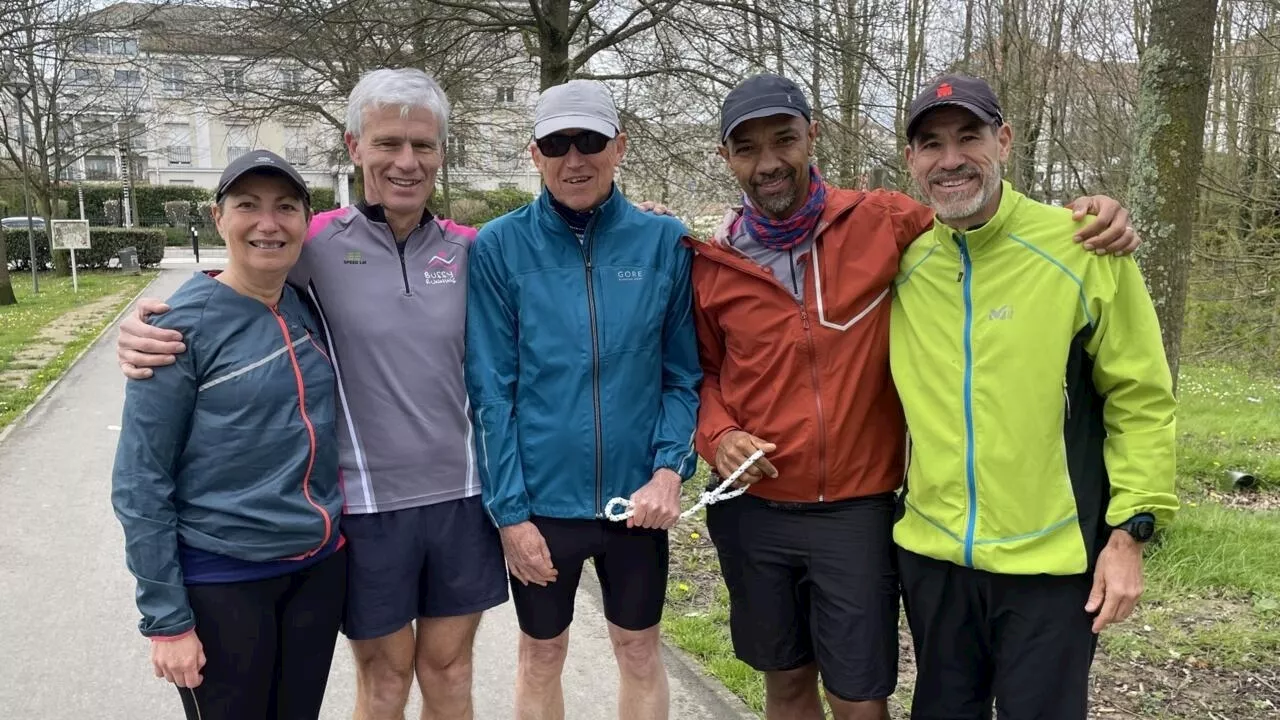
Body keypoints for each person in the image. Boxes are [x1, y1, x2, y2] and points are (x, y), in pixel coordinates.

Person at [689, 73, 1142, 720]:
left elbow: (984, 219)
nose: (768, 162)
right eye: (747, 148)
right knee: (786, 685)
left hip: (860, 514)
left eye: (784, 139)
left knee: (859, 695)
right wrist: (717, 434)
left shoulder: (883, 224)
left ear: (811, 137)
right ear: (726, 158)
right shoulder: (713, 262)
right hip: (763, 515)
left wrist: (1098, 211)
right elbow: (697, 373)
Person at [114, 68, 508, 720]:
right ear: (355, 148)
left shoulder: (473, 249)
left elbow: (554, 266)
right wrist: (152, 326)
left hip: (463, 499)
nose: (406, 162)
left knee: (451, 671)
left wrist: (643, 222)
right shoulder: (317, 240)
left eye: (424, 145)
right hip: (364, 505)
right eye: (387, 143)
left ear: (442, 151)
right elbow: (242, 273)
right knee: (385, 681)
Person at [889, 73, 1177, 720]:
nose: (951, 158)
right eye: (931, 144)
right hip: (933, 560)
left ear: (1006, 140)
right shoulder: (904, 264)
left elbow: (1142, 399)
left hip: (1051, 563)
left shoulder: (1082, 249)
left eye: (970, 136)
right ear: (911, 160)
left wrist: (1131, 533)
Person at [464, 79, 700, 720]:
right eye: (556, 143)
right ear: (533, 153)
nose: (575, 158)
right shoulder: (498, 248)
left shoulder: (663, 242)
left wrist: (668, 470)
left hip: (636, 506)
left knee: (639, 649)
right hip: (543, 504)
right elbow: (492, 392)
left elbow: (682, 376)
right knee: (541, 655)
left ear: (618, 147)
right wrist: (510, 516)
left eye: (590, 140)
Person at [111, 150, 346, 720]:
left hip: (314, 573)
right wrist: (166, 620)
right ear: (219, 218)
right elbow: (140, 481)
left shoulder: (308, 304)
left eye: (285, 207)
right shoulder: (176, 328)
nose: (268, 223)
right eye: (248, 206)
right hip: (222, 579)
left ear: (304, 221)